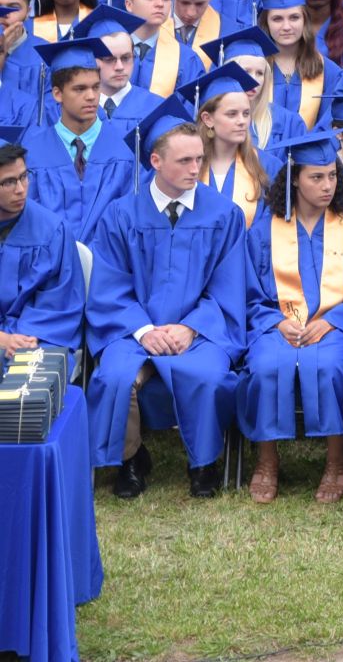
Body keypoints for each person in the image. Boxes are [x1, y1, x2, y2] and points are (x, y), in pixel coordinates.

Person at [86, 103, 248, 498]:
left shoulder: (224, 214)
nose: (196, 169)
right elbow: (108, 286)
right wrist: (143, 330)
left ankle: (204, 463)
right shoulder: (121, 215)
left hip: (201, 330)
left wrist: (190, 327)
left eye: (199, 159)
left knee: (208, 377)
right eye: (185, 160)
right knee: (114, 378)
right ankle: (132, 458)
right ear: (155, 161)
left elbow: (229, 287)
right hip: (132, 330)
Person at [238, 132, 343, 504]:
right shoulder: (265, 228)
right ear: (295, 178)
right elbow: (248, 291)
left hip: (337, 326)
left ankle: (336, 459)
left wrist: (333, 321)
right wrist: (276, 322)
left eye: (332, 175)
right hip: (276, 324)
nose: (327, 185)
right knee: (266, 364)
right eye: (317, 177)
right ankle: (267, 459)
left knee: (328, 364)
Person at [22, 38, 137, 243]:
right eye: (80, 89)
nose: (92, 96)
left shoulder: (124, 149)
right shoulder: (33, 153)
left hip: (108, 267)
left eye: (95, 87)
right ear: (58, 94)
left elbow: (132, 223)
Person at [0, 140, 82, 356]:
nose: (20, 189)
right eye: (8, 182)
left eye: (23, 177)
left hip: (37, 339)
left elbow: (58, 303)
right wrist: (3, 339)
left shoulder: (52, 231)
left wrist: (20, 339)